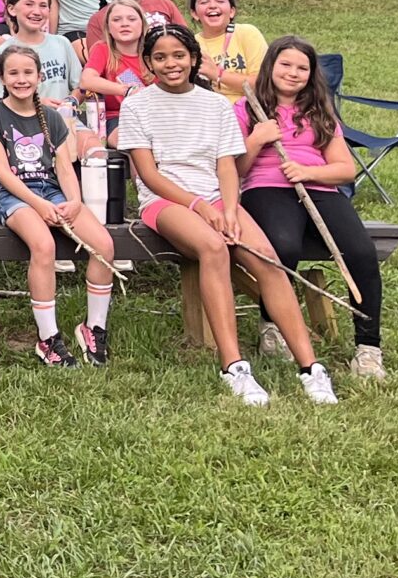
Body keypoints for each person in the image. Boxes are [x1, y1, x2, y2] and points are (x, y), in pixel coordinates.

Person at [119, 25, 335, 406]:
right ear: (149, 63)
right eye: (161, 57)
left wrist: (231, 210)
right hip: (165, 201)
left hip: (219, 197)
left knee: (268, 261)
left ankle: (311, 368)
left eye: (179, 55)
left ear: (194, 58)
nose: (171, 64)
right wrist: (199, 206)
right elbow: (149, 174)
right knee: (214, 248)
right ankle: (234, 365)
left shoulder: (216, 104)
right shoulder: (137, 104)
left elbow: (226, 168)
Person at [238, 36, 383, 379]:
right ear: (271, 66)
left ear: (311, 74)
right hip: (266, 187)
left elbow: (345, 169)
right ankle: (272, 328)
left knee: (361, 252)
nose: (293, 73)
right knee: (283, 246)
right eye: (286, 64)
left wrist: (309, 172)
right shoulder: (245, 108)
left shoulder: (320, 112)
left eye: (302, 68)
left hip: (319, 188)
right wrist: (257, 139)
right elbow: (234, 169)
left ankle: (368, 348)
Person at [0, 45, 117, 366]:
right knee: (43, 245)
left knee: (104, 245)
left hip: (52, 192)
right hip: (14, 196)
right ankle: (48, 338)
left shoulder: (52, 117)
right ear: (1, 78)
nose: (21, 79)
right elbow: (1, 172)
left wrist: (74, 201)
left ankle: (93, 327)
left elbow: (65, 167)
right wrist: (39, 205)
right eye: (13, 73)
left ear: (40, 77)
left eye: (28, 73)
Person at [0, 0, 79, 108]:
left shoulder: (62, 43)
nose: (37, 12)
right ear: (12, 9)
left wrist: (72, 100)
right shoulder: (3, 51)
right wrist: (37, 104)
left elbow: (80, 86)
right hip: (23, 123)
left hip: (62, 120)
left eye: (43, 6)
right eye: (29, 4)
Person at [78, 0, 153, 138]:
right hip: (116, 118)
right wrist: (127, 90)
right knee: (134, 139)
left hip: (154, 116)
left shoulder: (154, 52)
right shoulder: (102, 49)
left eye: (131, 19)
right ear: (108, 28)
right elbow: (86, 80)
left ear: (142, 24)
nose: (124, 24)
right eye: (117, 20)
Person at [191, 0, 268, 101]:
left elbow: (262, 84)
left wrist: (218, 74)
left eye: (220, 1)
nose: (212, 5)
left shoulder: (247, 33)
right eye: (204, 2)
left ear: (232, 11)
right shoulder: (191, 44)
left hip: (249, 113)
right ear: (194, 13)